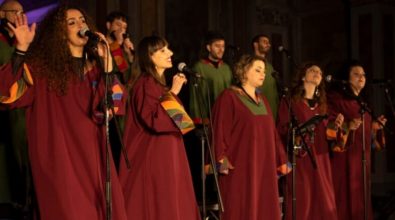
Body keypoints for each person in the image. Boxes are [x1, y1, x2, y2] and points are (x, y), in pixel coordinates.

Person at [0, 5, 128, 219]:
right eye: (71, 22)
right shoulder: (41, 71)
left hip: (94, 159)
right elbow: (7, 94)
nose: (80, 25)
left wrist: (107, 69)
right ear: (59, 33)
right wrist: (21, 50)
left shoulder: (96, 70)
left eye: (82, 20)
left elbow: (112, 107)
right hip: (61, 161)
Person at [118, 35, 200, 220]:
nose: (170, 53)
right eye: (163, 50)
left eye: (168, 48)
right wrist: (174, 91)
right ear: (150, 56)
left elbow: (182, 123)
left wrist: (171, 92)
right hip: (154, 157)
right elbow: (155, 121)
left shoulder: (160, 86)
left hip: (170, 154)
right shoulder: (146, 84)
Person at [211, 54, 291, 220]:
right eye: (258, 70)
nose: (263, 74)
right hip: (240, 168)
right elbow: (220, 131)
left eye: (264, 70)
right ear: (244, 72)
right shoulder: (229, 97)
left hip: (264, 168)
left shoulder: (263, 101)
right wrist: (221, 161)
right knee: (241, 209)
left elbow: (273, 135)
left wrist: (281, 159)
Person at [276, 62, 341, 220]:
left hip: (321, 159)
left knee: (324, 202)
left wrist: (336, 127)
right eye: (312, 70)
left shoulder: (323, 106)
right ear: (303, 76)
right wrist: (298, 134)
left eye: (319, 72)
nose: (317, 73)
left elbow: (330, 137)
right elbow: (281, 130)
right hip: (301, 160)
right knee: (303, 202)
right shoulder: (291, 103)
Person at [326, 60, 386, 220]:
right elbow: (329, 126)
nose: (361, 78)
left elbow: (366, 131)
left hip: (362, 159)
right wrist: (347, 126)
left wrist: (374, 127)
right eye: (356, 74)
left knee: (361, 197)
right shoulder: (335, 99)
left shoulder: (362, 103)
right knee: (344, 196)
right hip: (343, 160)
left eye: (364, 75)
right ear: (346, 78)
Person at [0, 0, 30, 212]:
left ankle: (24, 199)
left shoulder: (25, 37)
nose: (19, 14)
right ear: (2, 14)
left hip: (23, 101)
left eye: (22, 11)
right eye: (14, 11)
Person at [189, 31, 232, 124]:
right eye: (217, 46)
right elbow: (196, 96)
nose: (221, 50)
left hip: (227, 117)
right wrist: (200, 118)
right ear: (209, 47)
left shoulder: (226, 68)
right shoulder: (200, 67)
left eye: (223, 46)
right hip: (209, 119)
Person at [252, 34, 279, 119]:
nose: (268, 44)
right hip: (257, 110)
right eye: (264, 42)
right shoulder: (250, 64)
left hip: (272, 111)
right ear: (255, 44)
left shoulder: (270, 67)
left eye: (268, 42)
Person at [105, 11, 134, 84]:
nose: (122, 30)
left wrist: (130, 55)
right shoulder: (100, 45)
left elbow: (128, 77)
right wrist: (118, 42)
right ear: (109, 25)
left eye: (124, 27)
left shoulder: (123, 49)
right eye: (118, 25)